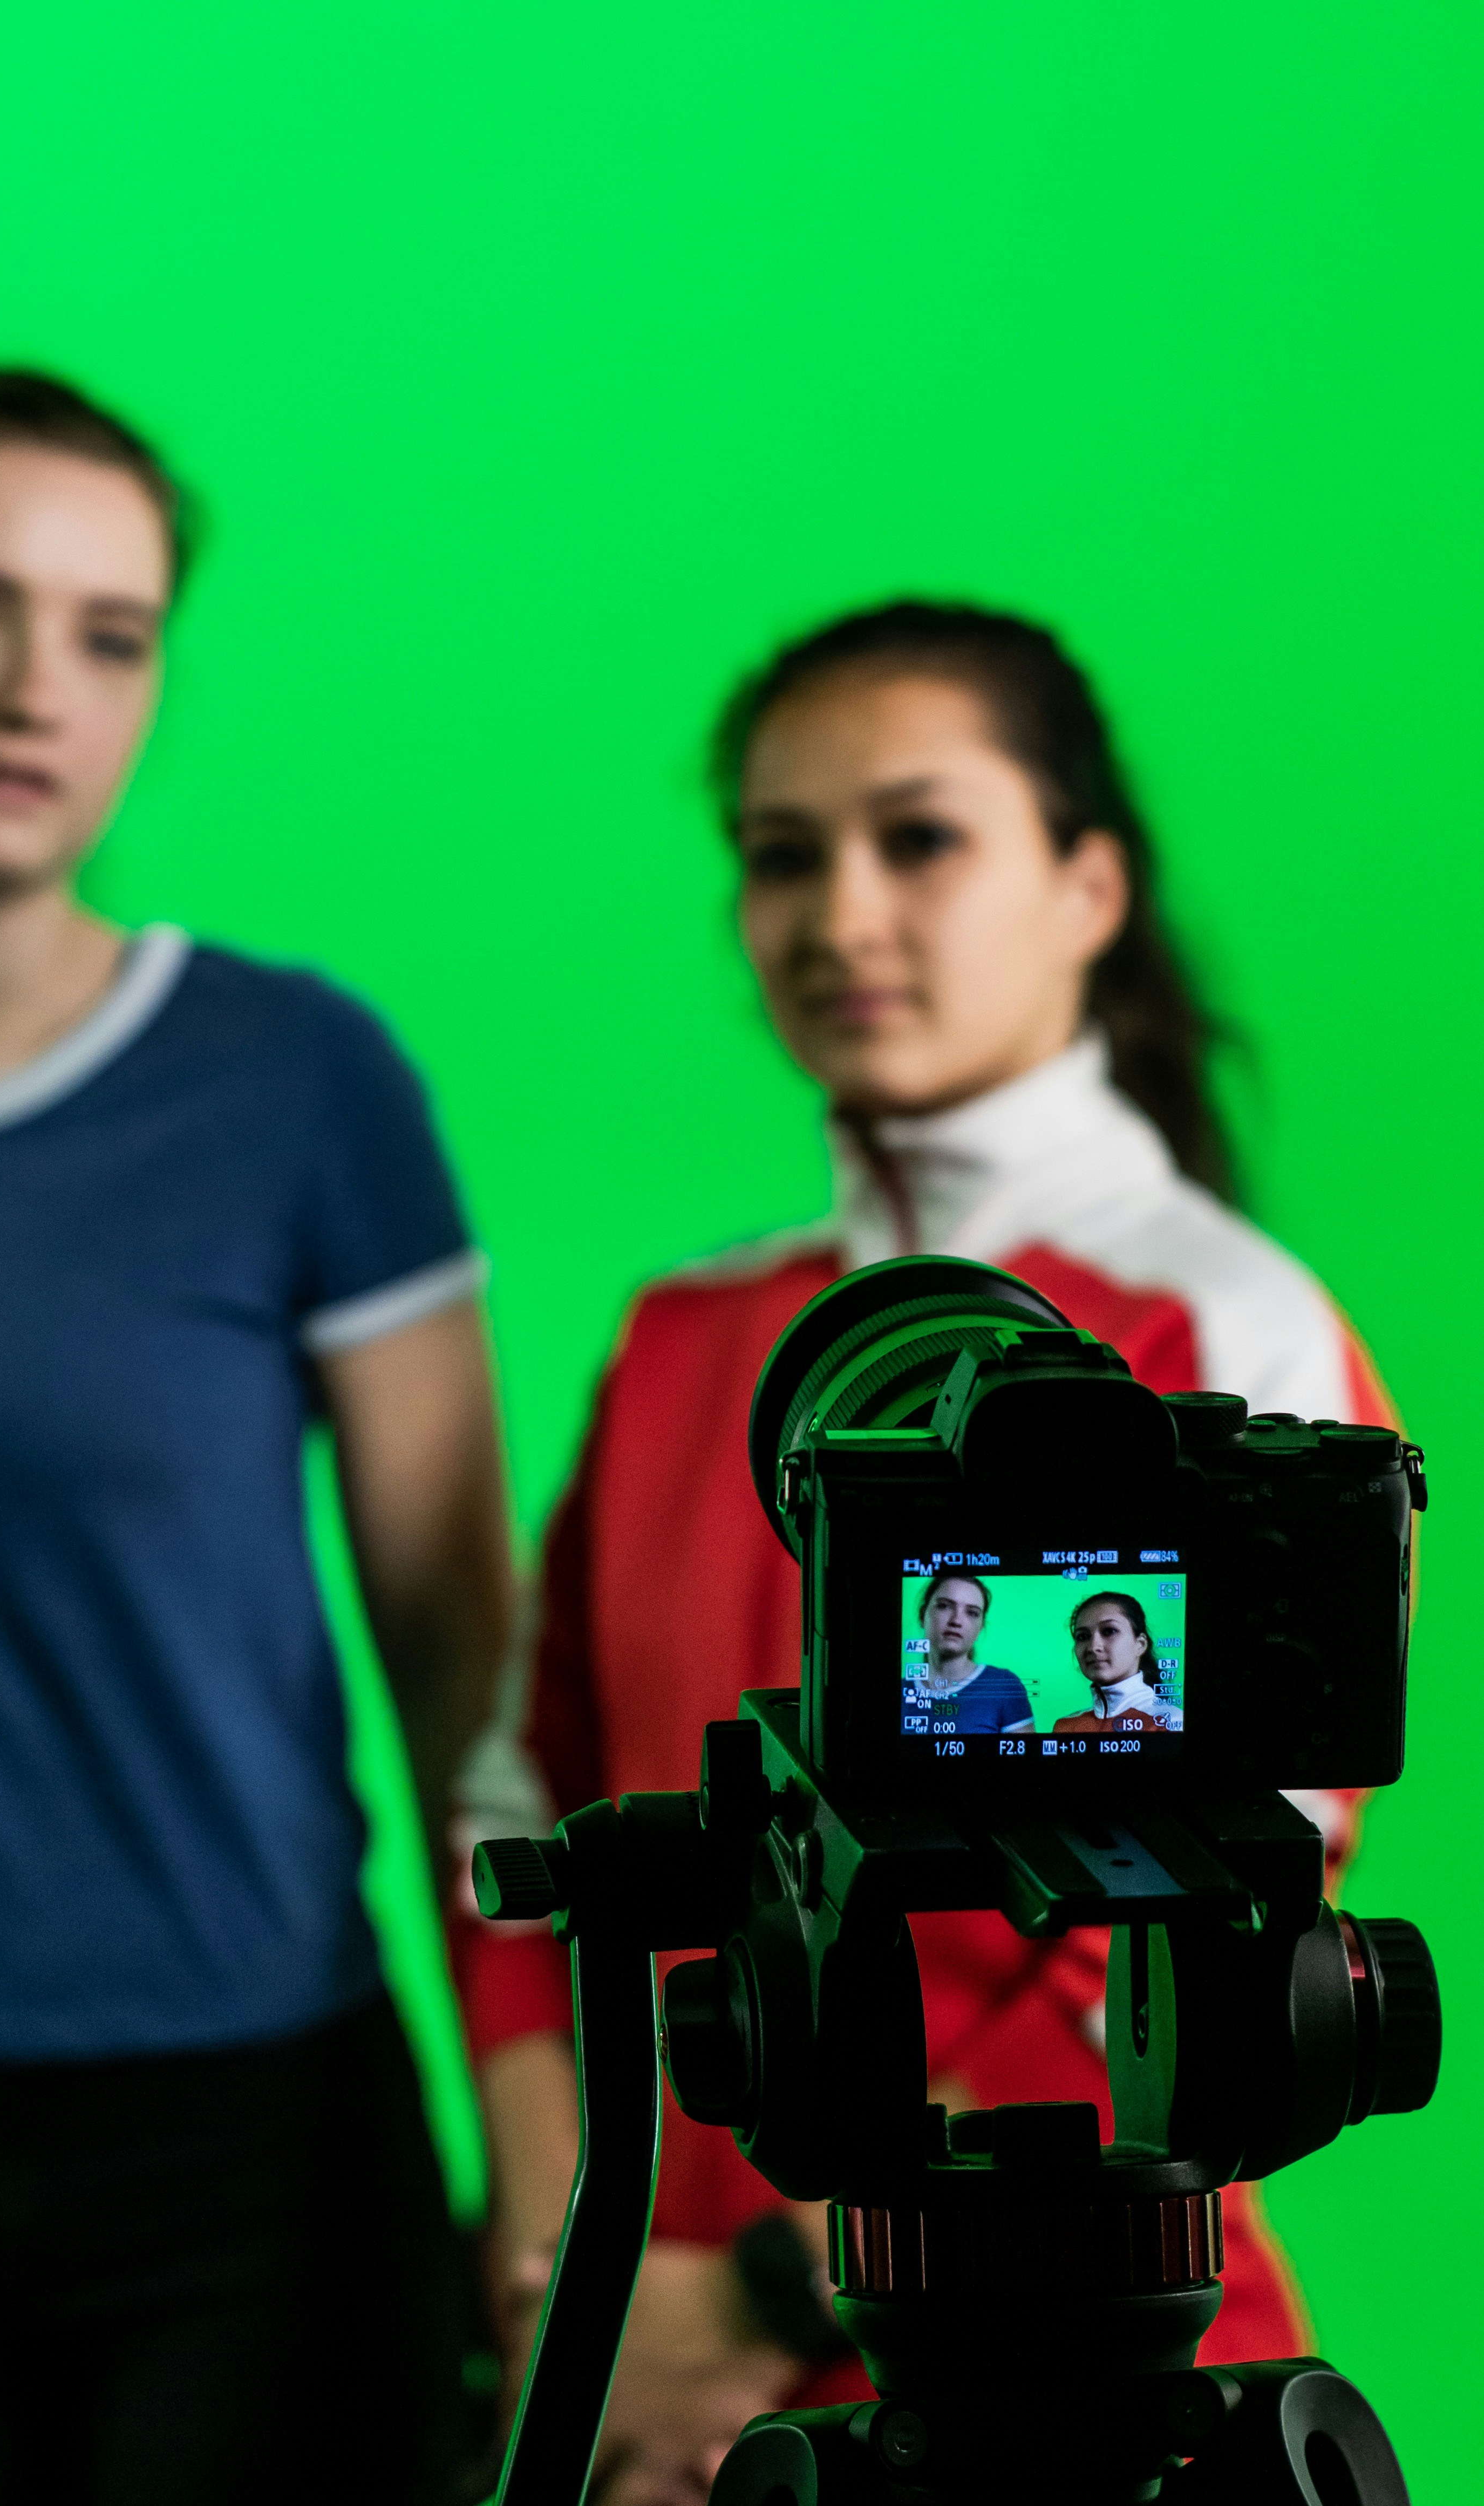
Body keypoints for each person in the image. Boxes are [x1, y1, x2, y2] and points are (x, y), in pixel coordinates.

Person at [451, 599, 1390, 2506]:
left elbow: (1206, 1905)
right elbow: (536, 1813)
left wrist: (757, 2297)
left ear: (1085, 882)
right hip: (655, 2386)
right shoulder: (679, 1342)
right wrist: (591, 2285)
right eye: (778, 855)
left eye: (918, 836)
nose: (838, 914)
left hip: (1105, 2372)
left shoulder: (1215, 1332)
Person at [0, 368, 515, 2505]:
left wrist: (559, 2138)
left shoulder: (295, 1083)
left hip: (247, 2155)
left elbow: (471, 1690)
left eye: (111, 636)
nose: (37, 687)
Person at [904, 1571, 1032, 1732]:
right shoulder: (903, 1689)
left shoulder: (1005, 1686)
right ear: (923, 1615)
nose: (956, 1621)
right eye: (944, 1606)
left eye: (972, 1613)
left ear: (981, 1628)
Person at [1053, 1591, 1183, 1733]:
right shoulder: (1066, 1726)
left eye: (1109, 1631)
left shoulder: (1173, 1723)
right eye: (1083, 1636)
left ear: (1140, 1645)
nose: (1093, 1647)